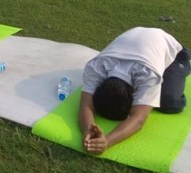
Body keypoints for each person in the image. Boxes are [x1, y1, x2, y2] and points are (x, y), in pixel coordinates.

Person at [79, 27, 190, 155]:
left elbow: (138, 118)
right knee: (154, 97)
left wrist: (108, 141)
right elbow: (86, 105)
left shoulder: (147, 74)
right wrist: (88, 130)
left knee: (169, 102)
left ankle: (179, 64)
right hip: (139, 40)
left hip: (174, 52)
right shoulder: (96, 66)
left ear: (133, 95)